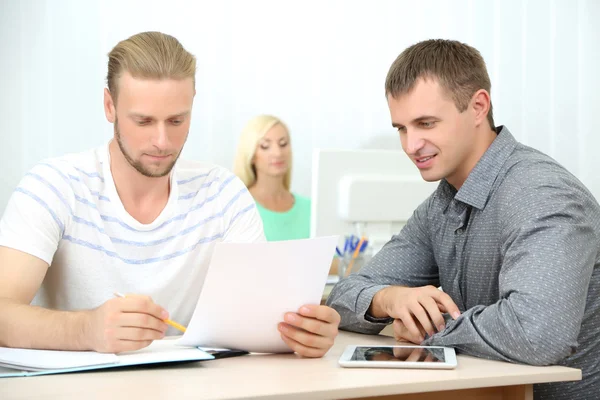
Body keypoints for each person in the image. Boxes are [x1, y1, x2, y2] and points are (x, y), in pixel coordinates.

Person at [0, 31, 339, 358]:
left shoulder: (222, 193)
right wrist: (84, 329)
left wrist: (303, 332)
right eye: (144, 121)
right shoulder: (54, 186)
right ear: (109, 106)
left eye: (176, 120)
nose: (162, 141)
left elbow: (263, 318)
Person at [326, 39, 600, 399]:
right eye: (402, 128)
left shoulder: (542, 194)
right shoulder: (441, 203)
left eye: (426, 123)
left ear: (477, 107)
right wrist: (389, 299)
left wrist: (429, 327)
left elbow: (539, 333)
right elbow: (342, 298)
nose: (411, 145)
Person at [233, 115, 311, 241]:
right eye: (265, 146)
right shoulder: (239, 206)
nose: (277, 153)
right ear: (251, 154)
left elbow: (332, 258)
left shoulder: (310, 209)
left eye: (283, 144)